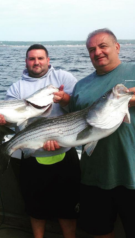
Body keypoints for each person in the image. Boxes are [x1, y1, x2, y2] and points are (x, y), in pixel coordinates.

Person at [0, 44, 80, 238]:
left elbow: (81, 108)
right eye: (32, 59)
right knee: (35, 207)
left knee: (67, 209)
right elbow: (13, 120)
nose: (36, 62)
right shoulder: (17, 88)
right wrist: (2, 119)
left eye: (40, 58)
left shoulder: (64, 78)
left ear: (48, 60)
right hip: (32, 153)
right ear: (26, 62)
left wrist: (65, 98)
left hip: (65, 153)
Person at [69, 28, 135, 238]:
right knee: (99, 232)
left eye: (103, 46)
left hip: (132, 173)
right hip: (94, 175)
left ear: (117, 47)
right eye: (91, 49)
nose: (97, 52)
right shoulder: (81, 86)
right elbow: (73, 125)